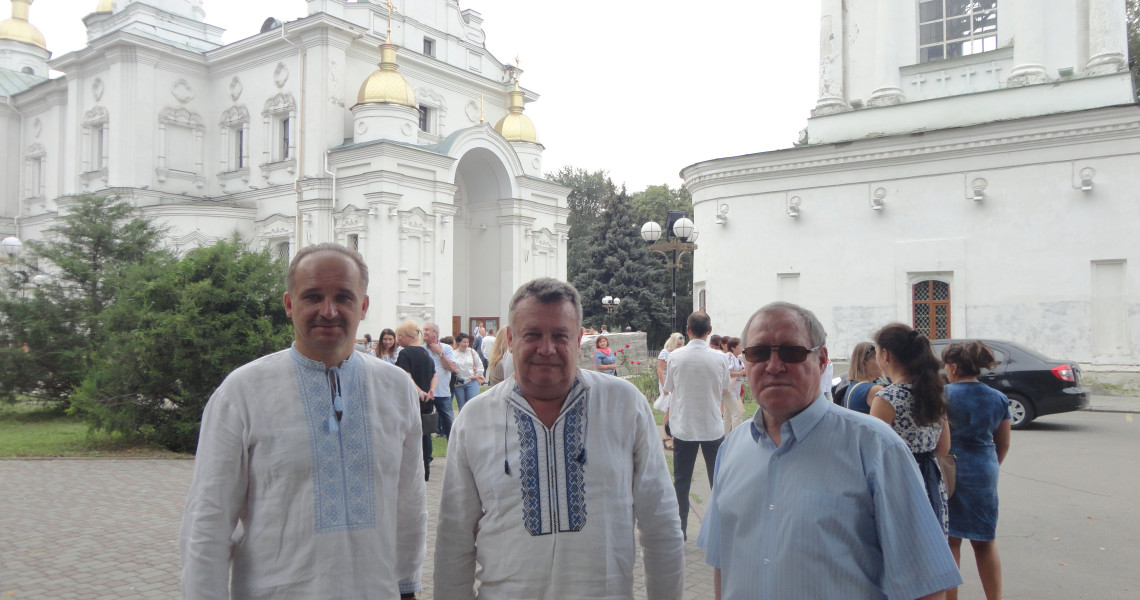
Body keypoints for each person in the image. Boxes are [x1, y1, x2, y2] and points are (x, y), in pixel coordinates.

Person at [180, 243, 426, 599]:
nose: (328, 311)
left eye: (343, 297)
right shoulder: (243, 392)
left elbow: (410, 504)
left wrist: (407, 587)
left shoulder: (396, 387)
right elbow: (208, 521)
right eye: (312, 297)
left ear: (364, 306)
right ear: (289, 304)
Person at [434, 278, 685, 599]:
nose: (547, 348)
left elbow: (661, 524)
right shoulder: (475, 418)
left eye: (560, 336)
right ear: (510, 339)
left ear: (579, 339)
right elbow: (454, 538)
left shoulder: (624, 404)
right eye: (533, 334)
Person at [697, 302, 961, 600]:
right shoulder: (732, 448)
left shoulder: (875, 447)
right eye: (758, 353)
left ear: (821, 360)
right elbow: (724, 564)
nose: (773, 365)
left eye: (791, 352)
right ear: (745, 362)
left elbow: (925, 583)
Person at [942, 341, 1012, 600]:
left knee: (951, 540)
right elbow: (1002, 444)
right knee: (985, 540)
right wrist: (989, 466)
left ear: (954, 366)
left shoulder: (942, 396)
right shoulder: (998, 398)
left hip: (949, 469)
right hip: (984, 468)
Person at [871, 323, 952, 535]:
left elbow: (872, 454)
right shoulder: (935, 391)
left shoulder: (887, 398)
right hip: (930, 480)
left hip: (898, 483)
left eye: (877, 351)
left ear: (885, 354)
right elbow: (943, 448)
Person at [663, 311, 732, 539]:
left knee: (682, 482)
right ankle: (719, 531)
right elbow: (724, 388)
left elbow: (669, 388)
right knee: (718, 482)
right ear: (710, 331)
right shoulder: (720, 358)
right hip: (712, 426)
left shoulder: (675, 356)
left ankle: (680, 532)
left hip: (684, 425)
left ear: (688, 329)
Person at [395, 320, 437, 481]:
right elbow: (434, 374)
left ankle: (413, 472)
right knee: (424, 435)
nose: (397, 339)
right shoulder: (426, 353)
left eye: (400, 335)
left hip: (412, 401)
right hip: (427, 400)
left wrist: (419, 392)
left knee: (410, 436)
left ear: (409, 336)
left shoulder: (405, 353)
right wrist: (431, 390)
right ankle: (425, 470)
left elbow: (406, 375)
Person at [423, 323, 458, 439]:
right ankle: (426, 456)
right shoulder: (421, 349)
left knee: (449, 424)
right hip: (426, 393)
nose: (425, 332)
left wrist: (440, 353)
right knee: (425, 425)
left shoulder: (446, 348)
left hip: (443, 392)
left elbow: (452, 368)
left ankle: (454, 452)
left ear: (435, 333)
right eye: (424, 330)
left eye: (427, 330)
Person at [655, 332, 686, 449]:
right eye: (678, 344)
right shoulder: (665, 352)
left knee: (675, 409)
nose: (679, 346)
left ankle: (674, 434)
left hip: (676, 383)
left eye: (681, 344)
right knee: (669, 409)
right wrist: (664, 387)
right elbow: (660, 370)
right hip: (666, 382)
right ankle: (667, 436)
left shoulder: (680, 353)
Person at [844, 341, 885, 414]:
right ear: (864, 362)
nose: (882, 362)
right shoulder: (874, 389)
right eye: (877, 359)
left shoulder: (853, 386)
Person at [450, 332, 485, 412]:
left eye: (467, 342)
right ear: (458, 342)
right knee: (462, 407)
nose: (466, 344)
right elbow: (450, 366)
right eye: (463, 342)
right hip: (459, 383)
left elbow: (479, 365)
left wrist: (477, 375)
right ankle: (462, 423)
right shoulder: (453, 354)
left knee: (471, 405)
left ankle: (472, 423)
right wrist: (454, 370)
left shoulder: (472, 352)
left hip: (471, 381)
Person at [722, 337, 747, 435]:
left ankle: (724, 438)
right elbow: (728, 372)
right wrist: (741, 372)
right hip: (729, 389)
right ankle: (735, 437)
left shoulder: (738, 359)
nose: (741, 348)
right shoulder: (729, 356)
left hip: (734, 389)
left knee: (727, 415)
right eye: (739, 345)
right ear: (732, 347)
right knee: (737, 413)